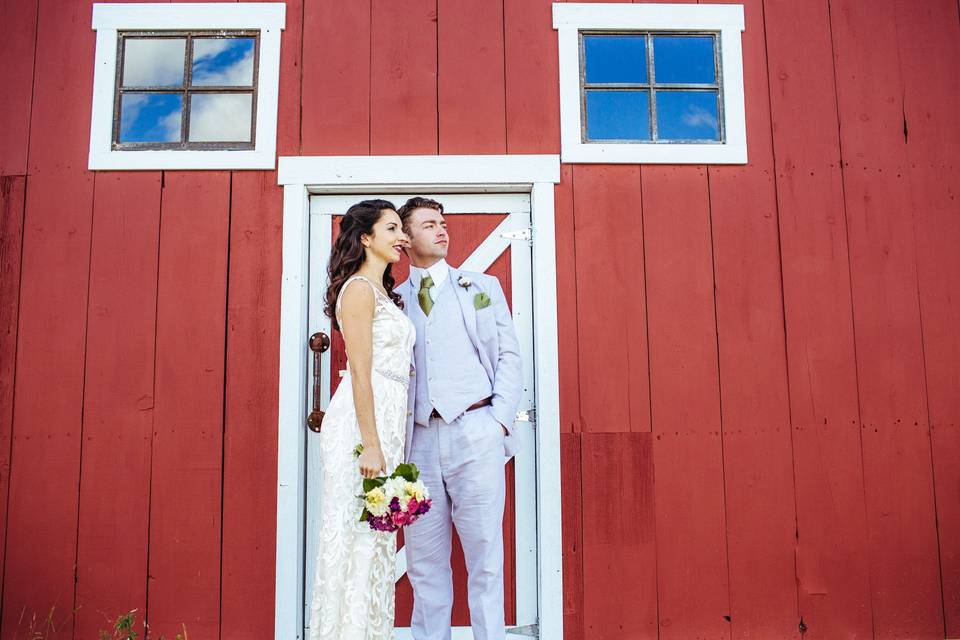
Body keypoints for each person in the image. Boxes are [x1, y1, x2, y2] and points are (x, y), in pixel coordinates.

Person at [397, 197, 523, 640]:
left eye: (444, 223)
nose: (443, 230)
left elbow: (508, 353)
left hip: (475, 430)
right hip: (417, 443)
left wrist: (498, 421)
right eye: (429, 224)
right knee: (424, 562)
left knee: (486, 557)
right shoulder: (392, 301)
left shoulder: (480, 285)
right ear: (405, 238)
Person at [309, 199, 415, 640]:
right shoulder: (356, 290)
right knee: (356, 541)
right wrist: (371, 444)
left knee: (376, 544)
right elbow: (359, 369)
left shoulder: (385, 294)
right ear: (366, 238)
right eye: (392, 228)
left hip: (385, 423)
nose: (401, 237)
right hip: (360, 427)